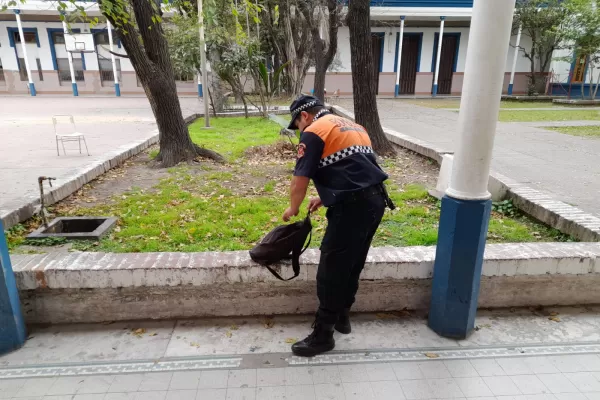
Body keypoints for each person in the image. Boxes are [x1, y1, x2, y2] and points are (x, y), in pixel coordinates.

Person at [282, 95, 393, 357]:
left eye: (297, 124)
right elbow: (356, 168)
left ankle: (323, 335)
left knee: (331, 270)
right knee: (352, 263)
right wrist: (326, 196)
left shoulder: (314, 131)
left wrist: (293, 208)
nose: (299, 129)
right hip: (375, 201)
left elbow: (300, 179)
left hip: (352, 208)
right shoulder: (352, 125)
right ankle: (342, 317)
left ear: (305, 116)